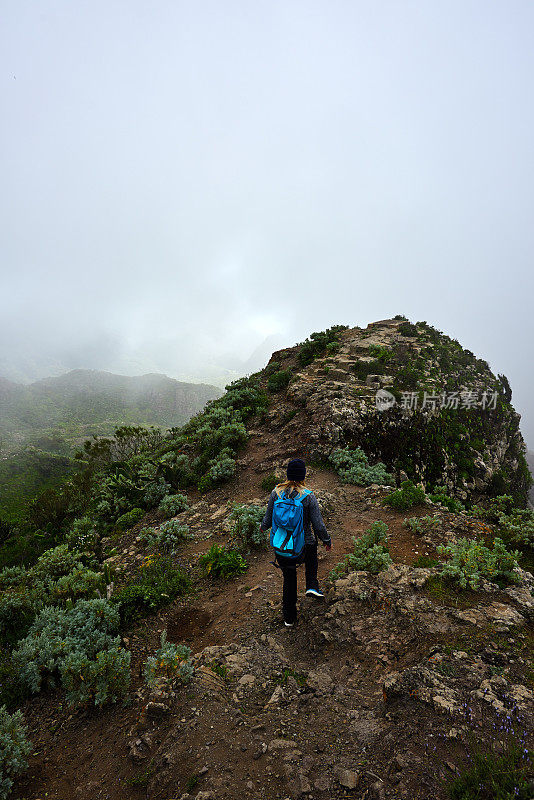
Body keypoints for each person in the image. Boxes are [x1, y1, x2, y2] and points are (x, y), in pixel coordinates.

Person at [260, 458, 331, 627]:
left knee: (289, 579)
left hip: (282, 548)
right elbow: (318, 524)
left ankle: (289, 618)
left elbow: (267, 519)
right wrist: (327, 540)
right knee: (312, 546)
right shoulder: (307, 496)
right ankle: (312, 585)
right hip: (302, 547)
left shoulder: (275, 493)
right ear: (303, 475)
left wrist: (263, 528)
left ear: (288, 474)